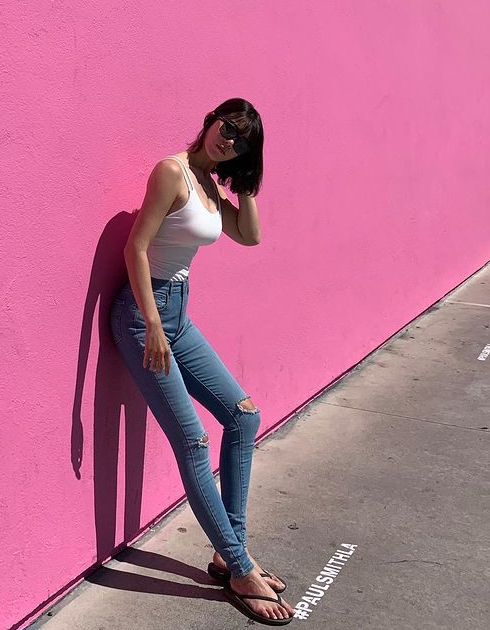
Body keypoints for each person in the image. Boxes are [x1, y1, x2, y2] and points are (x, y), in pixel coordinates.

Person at [110, 98, 295, 625]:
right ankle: (240, 568)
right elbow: (136, 248)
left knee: (244, 416)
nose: (228, 140)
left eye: (241, 141)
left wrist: (246, 184)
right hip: (144, 314)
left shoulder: (212, 185)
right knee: (193, 441)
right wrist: (151, 324)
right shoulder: (172, 172)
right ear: (211, 119)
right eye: (227, 127)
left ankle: (228, 552)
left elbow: (250, 235)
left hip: (179, 315)